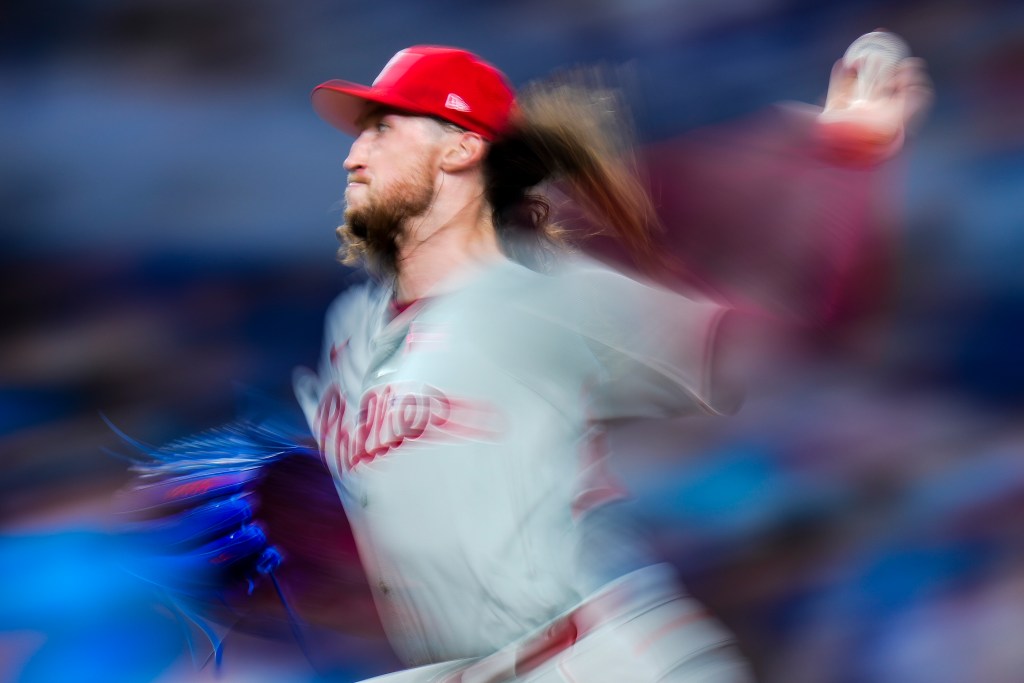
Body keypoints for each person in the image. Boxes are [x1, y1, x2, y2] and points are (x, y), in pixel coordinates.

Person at [292, 42, 928, 682]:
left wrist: (848, 158)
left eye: (383, 132)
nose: (354, 156)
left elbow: (772, 347)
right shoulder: (354, 332)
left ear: (459, 150)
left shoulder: (533, 295)